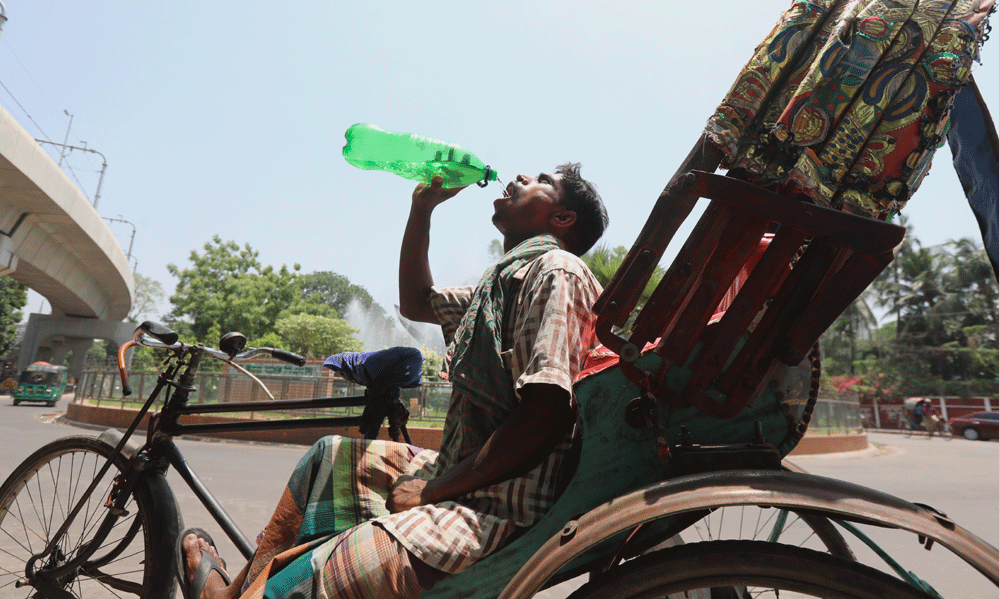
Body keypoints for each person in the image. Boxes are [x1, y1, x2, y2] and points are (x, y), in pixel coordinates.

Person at [177, 163, 608, 599]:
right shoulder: (504, 281)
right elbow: (417, 302)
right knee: (327, 458)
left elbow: (546, 413)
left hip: (496, 510)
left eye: (540, 181)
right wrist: (422, 210)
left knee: (316, 573)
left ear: (562, 218)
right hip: (464, 478)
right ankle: (234, 593)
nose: (518, 178)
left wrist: (433, 490)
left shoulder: (558, 273)